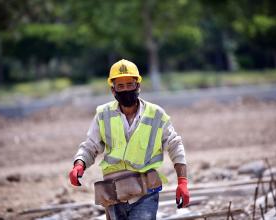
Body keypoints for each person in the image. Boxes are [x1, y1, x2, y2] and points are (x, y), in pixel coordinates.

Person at [69, 59, 190, 220]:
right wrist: (79, 164)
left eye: (130, 84)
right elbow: (90, 146)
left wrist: (182, 181)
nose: (126, 89)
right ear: (113, 90)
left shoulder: (156, 114)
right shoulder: (103, 115)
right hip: (113, 193)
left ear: (138, 86)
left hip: (145, 193)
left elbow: (175, 145)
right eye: (120, 86)